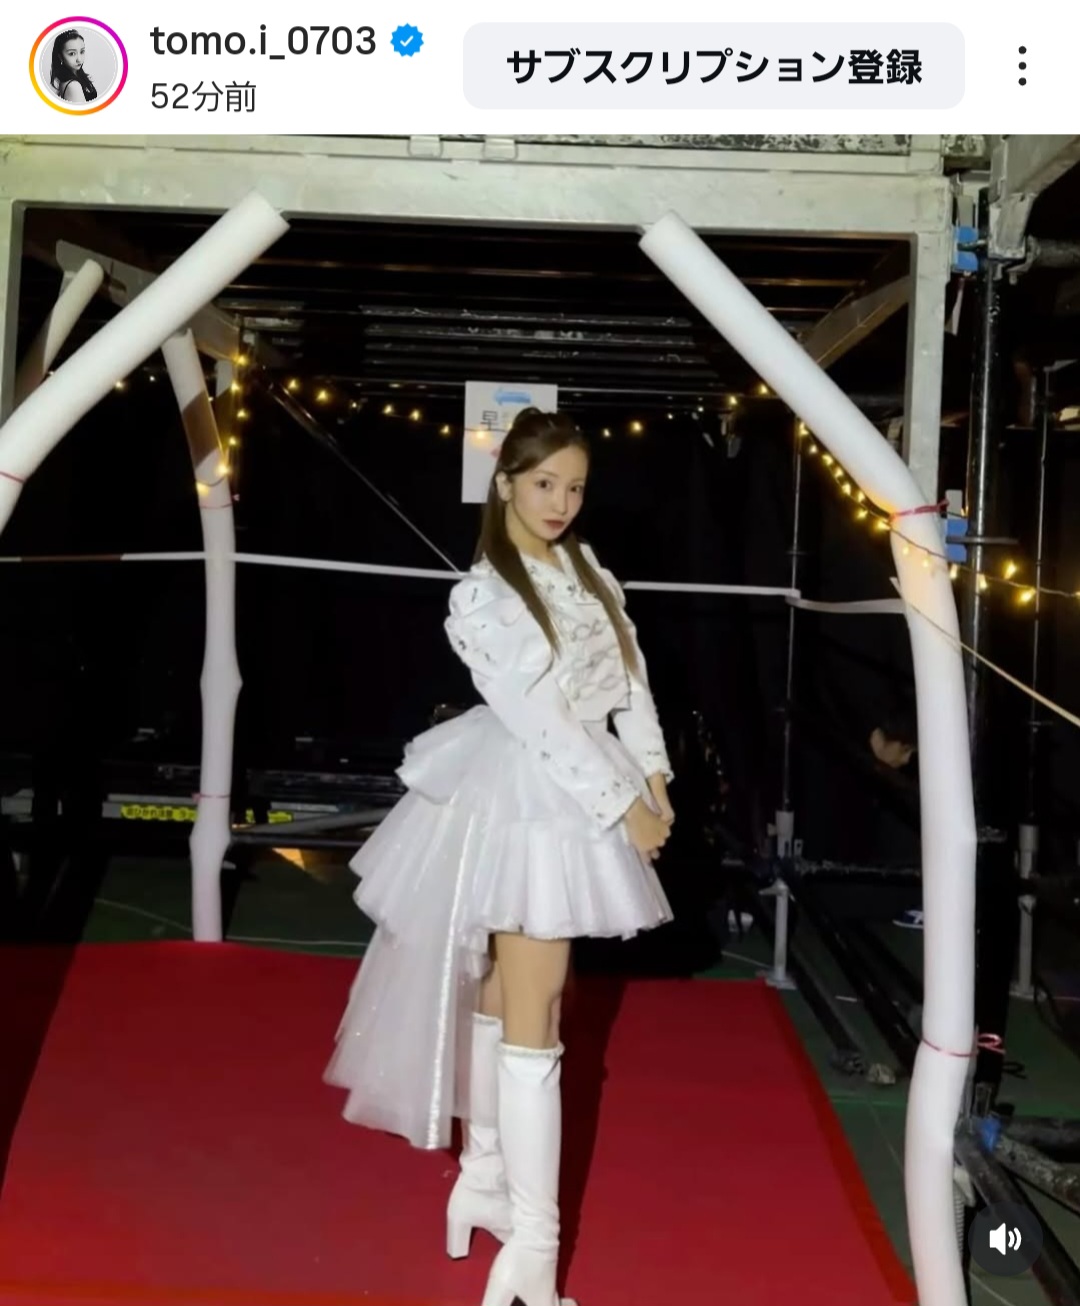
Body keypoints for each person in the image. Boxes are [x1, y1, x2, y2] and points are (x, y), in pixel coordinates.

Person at [324, 407, 675, 1306]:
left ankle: (482, 1180)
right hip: (530, 798)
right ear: (507, 483)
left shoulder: (588, 570)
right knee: (535, 1009)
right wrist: (620, 805)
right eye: (544, 483)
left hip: (585, 781)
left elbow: (629, 680)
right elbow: (539, 718)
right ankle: (534, 1250)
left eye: (575, 486)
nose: (561, 502)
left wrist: (654, 774)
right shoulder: (485, 595)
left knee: (509, 997)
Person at [49, 29, 99, 104]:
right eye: (72, 53)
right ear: (60, 57)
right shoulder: (73, 86)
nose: (79, 59)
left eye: (82, 51)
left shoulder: (77, 75)